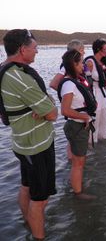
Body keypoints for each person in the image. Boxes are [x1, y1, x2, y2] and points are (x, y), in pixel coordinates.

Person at [1, 29, 58, 239]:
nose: (37, 52)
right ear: (23, 49)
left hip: (22, 143)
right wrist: (48, 105)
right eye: (35, 48)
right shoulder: (19, 77)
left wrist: (43, 105)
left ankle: (29, 224)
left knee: (26, 186)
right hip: (36, 145)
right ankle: (38, 235)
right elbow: (52, 114)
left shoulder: (5, 70)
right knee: (40, 198)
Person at [58, 49, 97, 200]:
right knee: (78, 163)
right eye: (80, 62)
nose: (83, 65)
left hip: (78, 126)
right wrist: (85, 117)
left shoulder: (74, 81)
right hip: (77, 126)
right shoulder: (69, 84)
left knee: (78, 161)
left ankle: (76, 185)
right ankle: (78, 194)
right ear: (73, 64)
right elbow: (65, 110)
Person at [84, 38, 106, 142]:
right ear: (99, 49)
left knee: (104, 119)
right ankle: (92, 144)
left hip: (103, 93)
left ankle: (104, 141)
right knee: (95, 119)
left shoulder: (103, 61)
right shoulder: (90, 62)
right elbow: (84, 80)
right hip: (94, 93)